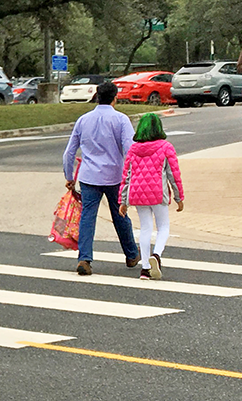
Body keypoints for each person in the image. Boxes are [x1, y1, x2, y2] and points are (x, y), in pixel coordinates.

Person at [62, 80, 138, 275]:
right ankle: (131, 254)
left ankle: (84, 258)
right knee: (120, 214)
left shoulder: (83, 120)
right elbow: (130, 149)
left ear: (97, 96)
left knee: (88, 216)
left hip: (89, 176)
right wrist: (131, 175)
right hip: (114, 175)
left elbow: (69, 152)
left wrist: (69, 176)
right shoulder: (121, 120)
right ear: (115, 98)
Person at [118, 113, 184, 281]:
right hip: (157, 193)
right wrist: (179, 196)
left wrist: (123, 201)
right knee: (163, 227)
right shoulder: (166, 147)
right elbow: (173, 174)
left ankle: (145, 268)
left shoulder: (133, 149)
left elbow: (126, 176)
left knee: (145, 228)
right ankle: (157, 254)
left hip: (137, 194)